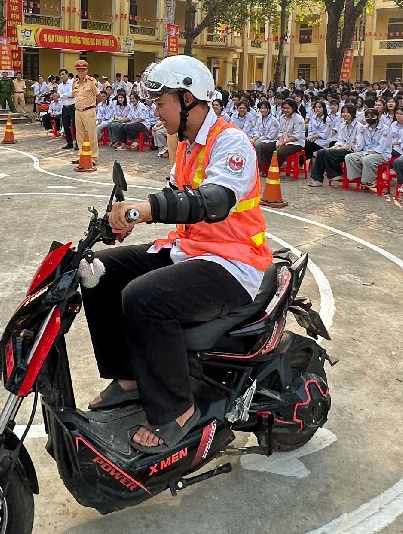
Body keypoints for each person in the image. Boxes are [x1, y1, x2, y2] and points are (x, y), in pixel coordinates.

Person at [81, 55, 272, 453]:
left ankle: (177, 409)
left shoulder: (231, 142)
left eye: (160, 102)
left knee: (144, 297)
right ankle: (129, 376)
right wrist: (133, 216)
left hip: (233, 263)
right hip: (191, 251)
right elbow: (175, 198)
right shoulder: (186, 146)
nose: (155, 112)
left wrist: (147, 208)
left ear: (187, 99)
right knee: (97, 269)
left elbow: (215, 199)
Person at [309, 104, 359, 185]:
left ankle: (337, 173)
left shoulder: (359, 127)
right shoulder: (342, 125)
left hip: (352, 150)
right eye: (343, 112)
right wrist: (335, 147)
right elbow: (340, 140)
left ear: (353, 113)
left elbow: (357, 144)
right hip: (342, 147)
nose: (345, 114)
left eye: (348, 112)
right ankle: (317, 179)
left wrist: (340, 148)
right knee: (322, 152)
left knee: (330, 153)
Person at [344, 108, 391, 189]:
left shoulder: (385, 128)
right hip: (366, 151)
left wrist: (368, 154)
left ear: (378, 117)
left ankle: (370, 180)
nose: (370, 119)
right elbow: (360, 143)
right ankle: (360, 177)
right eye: (367, 117)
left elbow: (382, 147)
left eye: (372, 116)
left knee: (367, 159)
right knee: (349, 157)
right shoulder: (364, 128)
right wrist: (354, 143)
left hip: (381, 154)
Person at [72, 59, 101, 160]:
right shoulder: (75, 82)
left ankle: (93, 157)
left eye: (83, 70)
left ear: (86, 71)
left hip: (88, 111)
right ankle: (82, 156)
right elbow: (73, 95)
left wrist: (93, 106)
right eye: (79, 70)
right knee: (79, 136)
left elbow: (99, 96)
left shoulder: (91, 82)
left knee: (91, 136)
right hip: (78, 111)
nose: (80, 72)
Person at [250, 100, 281, 175]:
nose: (263, 110)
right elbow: (257, 130)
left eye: (265, 108)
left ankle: (262, 167)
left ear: (269, 109)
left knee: (259, 145)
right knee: (251, 143)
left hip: (271, 140)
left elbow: (272, 135)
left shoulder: (274, 120)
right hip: (262, 138)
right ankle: (253, 166)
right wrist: (254, 138)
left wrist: (260, 139)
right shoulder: (260, 118)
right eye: (261, 108)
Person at [56, 68, 76, 149]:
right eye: (60, 75)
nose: (61, 76)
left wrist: (62, 96)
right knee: (65, 125)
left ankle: (78, 143)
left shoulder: (72, 83)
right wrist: (63, 96)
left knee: (75, 125)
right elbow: (59, 96)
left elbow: (72, 94)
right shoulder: (60, 85)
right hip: (64, 107)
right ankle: (69, 142)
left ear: (67, 74)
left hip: (73, 106)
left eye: (63, 74)